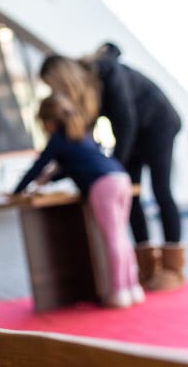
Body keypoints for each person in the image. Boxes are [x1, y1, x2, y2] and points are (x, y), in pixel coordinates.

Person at [40, 45, 184, 291]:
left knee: (161, 190)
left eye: (54, 85)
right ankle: (147, 267)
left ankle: (172, 269)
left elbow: (126, 121)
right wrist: (62, 171)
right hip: (134, 136)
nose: (56, 92)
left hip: (158, 125)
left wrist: (113, 167)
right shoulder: (86, 95)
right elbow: (85, 140)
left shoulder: (106, 74)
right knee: (131, 195)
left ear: (63, 77)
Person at [13, 94, 144, 308]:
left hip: (102, 186)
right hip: (120, 177)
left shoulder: (58, 139)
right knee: (121, 236)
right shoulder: (81, 135)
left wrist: (17, 191)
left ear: (50, 121)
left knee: (112, 238)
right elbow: (74, 165)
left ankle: (119, 291)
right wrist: (51, 177)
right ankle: (132, 287)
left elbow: (39, 166)